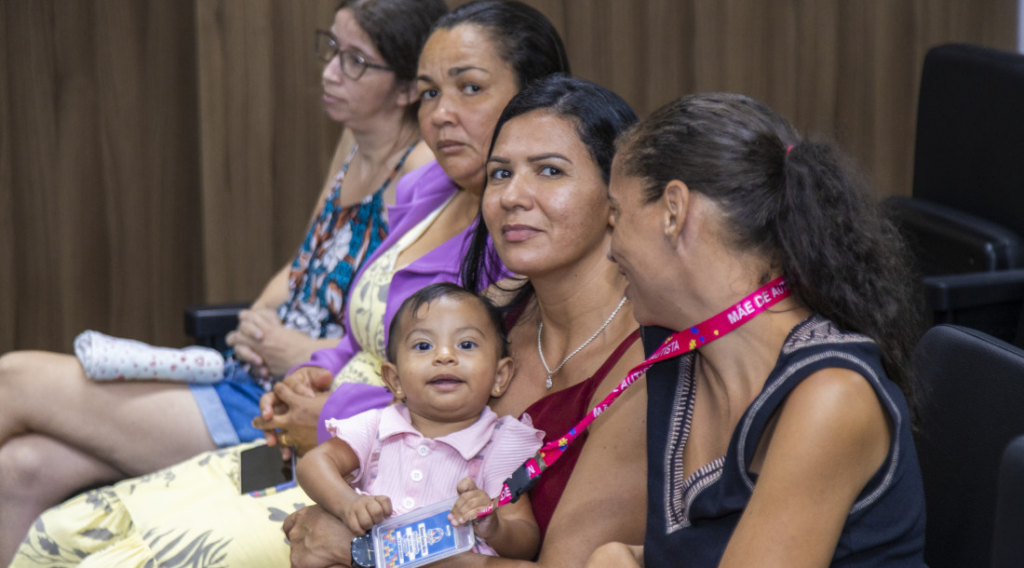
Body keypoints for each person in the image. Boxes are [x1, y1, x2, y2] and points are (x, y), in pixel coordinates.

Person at [11, 2, 570, 566]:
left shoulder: (518, 233)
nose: (442, 114)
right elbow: (360, 330)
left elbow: (468, 390)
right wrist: (311, 372)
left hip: (370, 468)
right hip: (310, 437)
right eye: (429, 93)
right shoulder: (430, 193)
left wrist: (327, 413)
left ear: (535, 101)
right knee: (57, 519)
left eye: (468, 88)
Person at [286, 75, 648, 568]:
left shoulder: (646, 362)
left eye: (548, 171)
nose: (512, 196)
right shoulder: (488, 318)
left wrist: (369, 551)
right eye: (500, 174)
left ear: (616, 196)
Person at [587, 92, 927, 567]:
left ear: (673, 211)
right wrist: (623, 556)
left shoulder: (830, 396)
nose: (610, 247)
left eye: (617, 215)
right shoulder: (676, 348)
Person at [298, 282, 544, 561]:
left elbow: (527, 540)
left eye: (466, 344)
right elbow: (313, 464)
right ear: (396, 380)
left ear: (499, 377)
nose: (444, 356)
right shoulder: (378, 426)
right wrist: (347, 504)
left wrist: (494, 526)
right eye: (423, 345)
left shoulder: (499, 444)